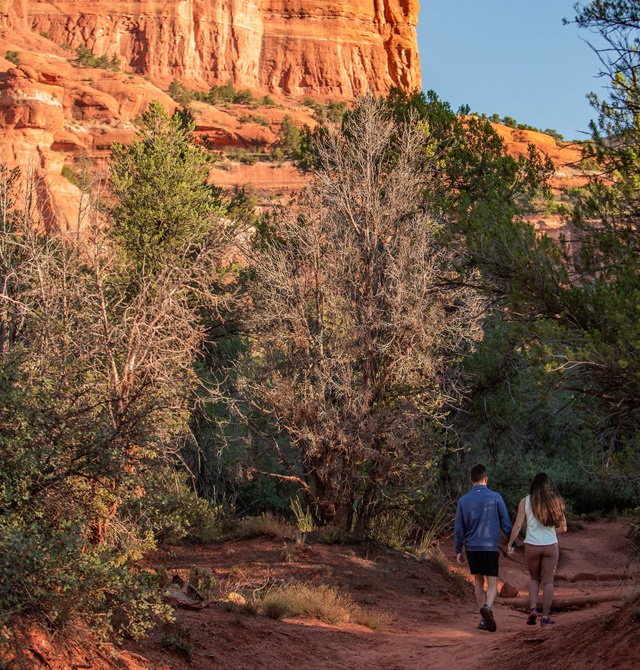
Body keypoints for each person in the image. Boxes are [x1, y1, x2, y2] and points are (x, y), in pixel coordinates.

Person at [455, 464, 512, 632]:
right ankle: (487, 607)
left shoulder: (463, 500)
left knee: (478, 581)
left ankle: (483, 618)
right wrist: (511, 542)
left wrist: (458, 549)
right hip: (490, 547)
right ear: (486, 479)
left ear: (470, 479)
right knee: (492, 582)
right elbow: (506, 521)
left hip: (472, 547)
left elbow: (459, 527)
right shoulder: (496, 497)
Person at [507, 472, 567, 627]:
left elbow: (518, 525)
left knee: (534, 579)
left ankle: (532, 609)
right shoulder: (556, 502)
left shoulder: (525, 501)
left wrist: (510, 543)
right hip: (550, 545)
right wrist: (553, 531)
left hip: (531, 545)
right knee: (548, 582)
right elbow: (564, 528)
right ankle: (545, 617)